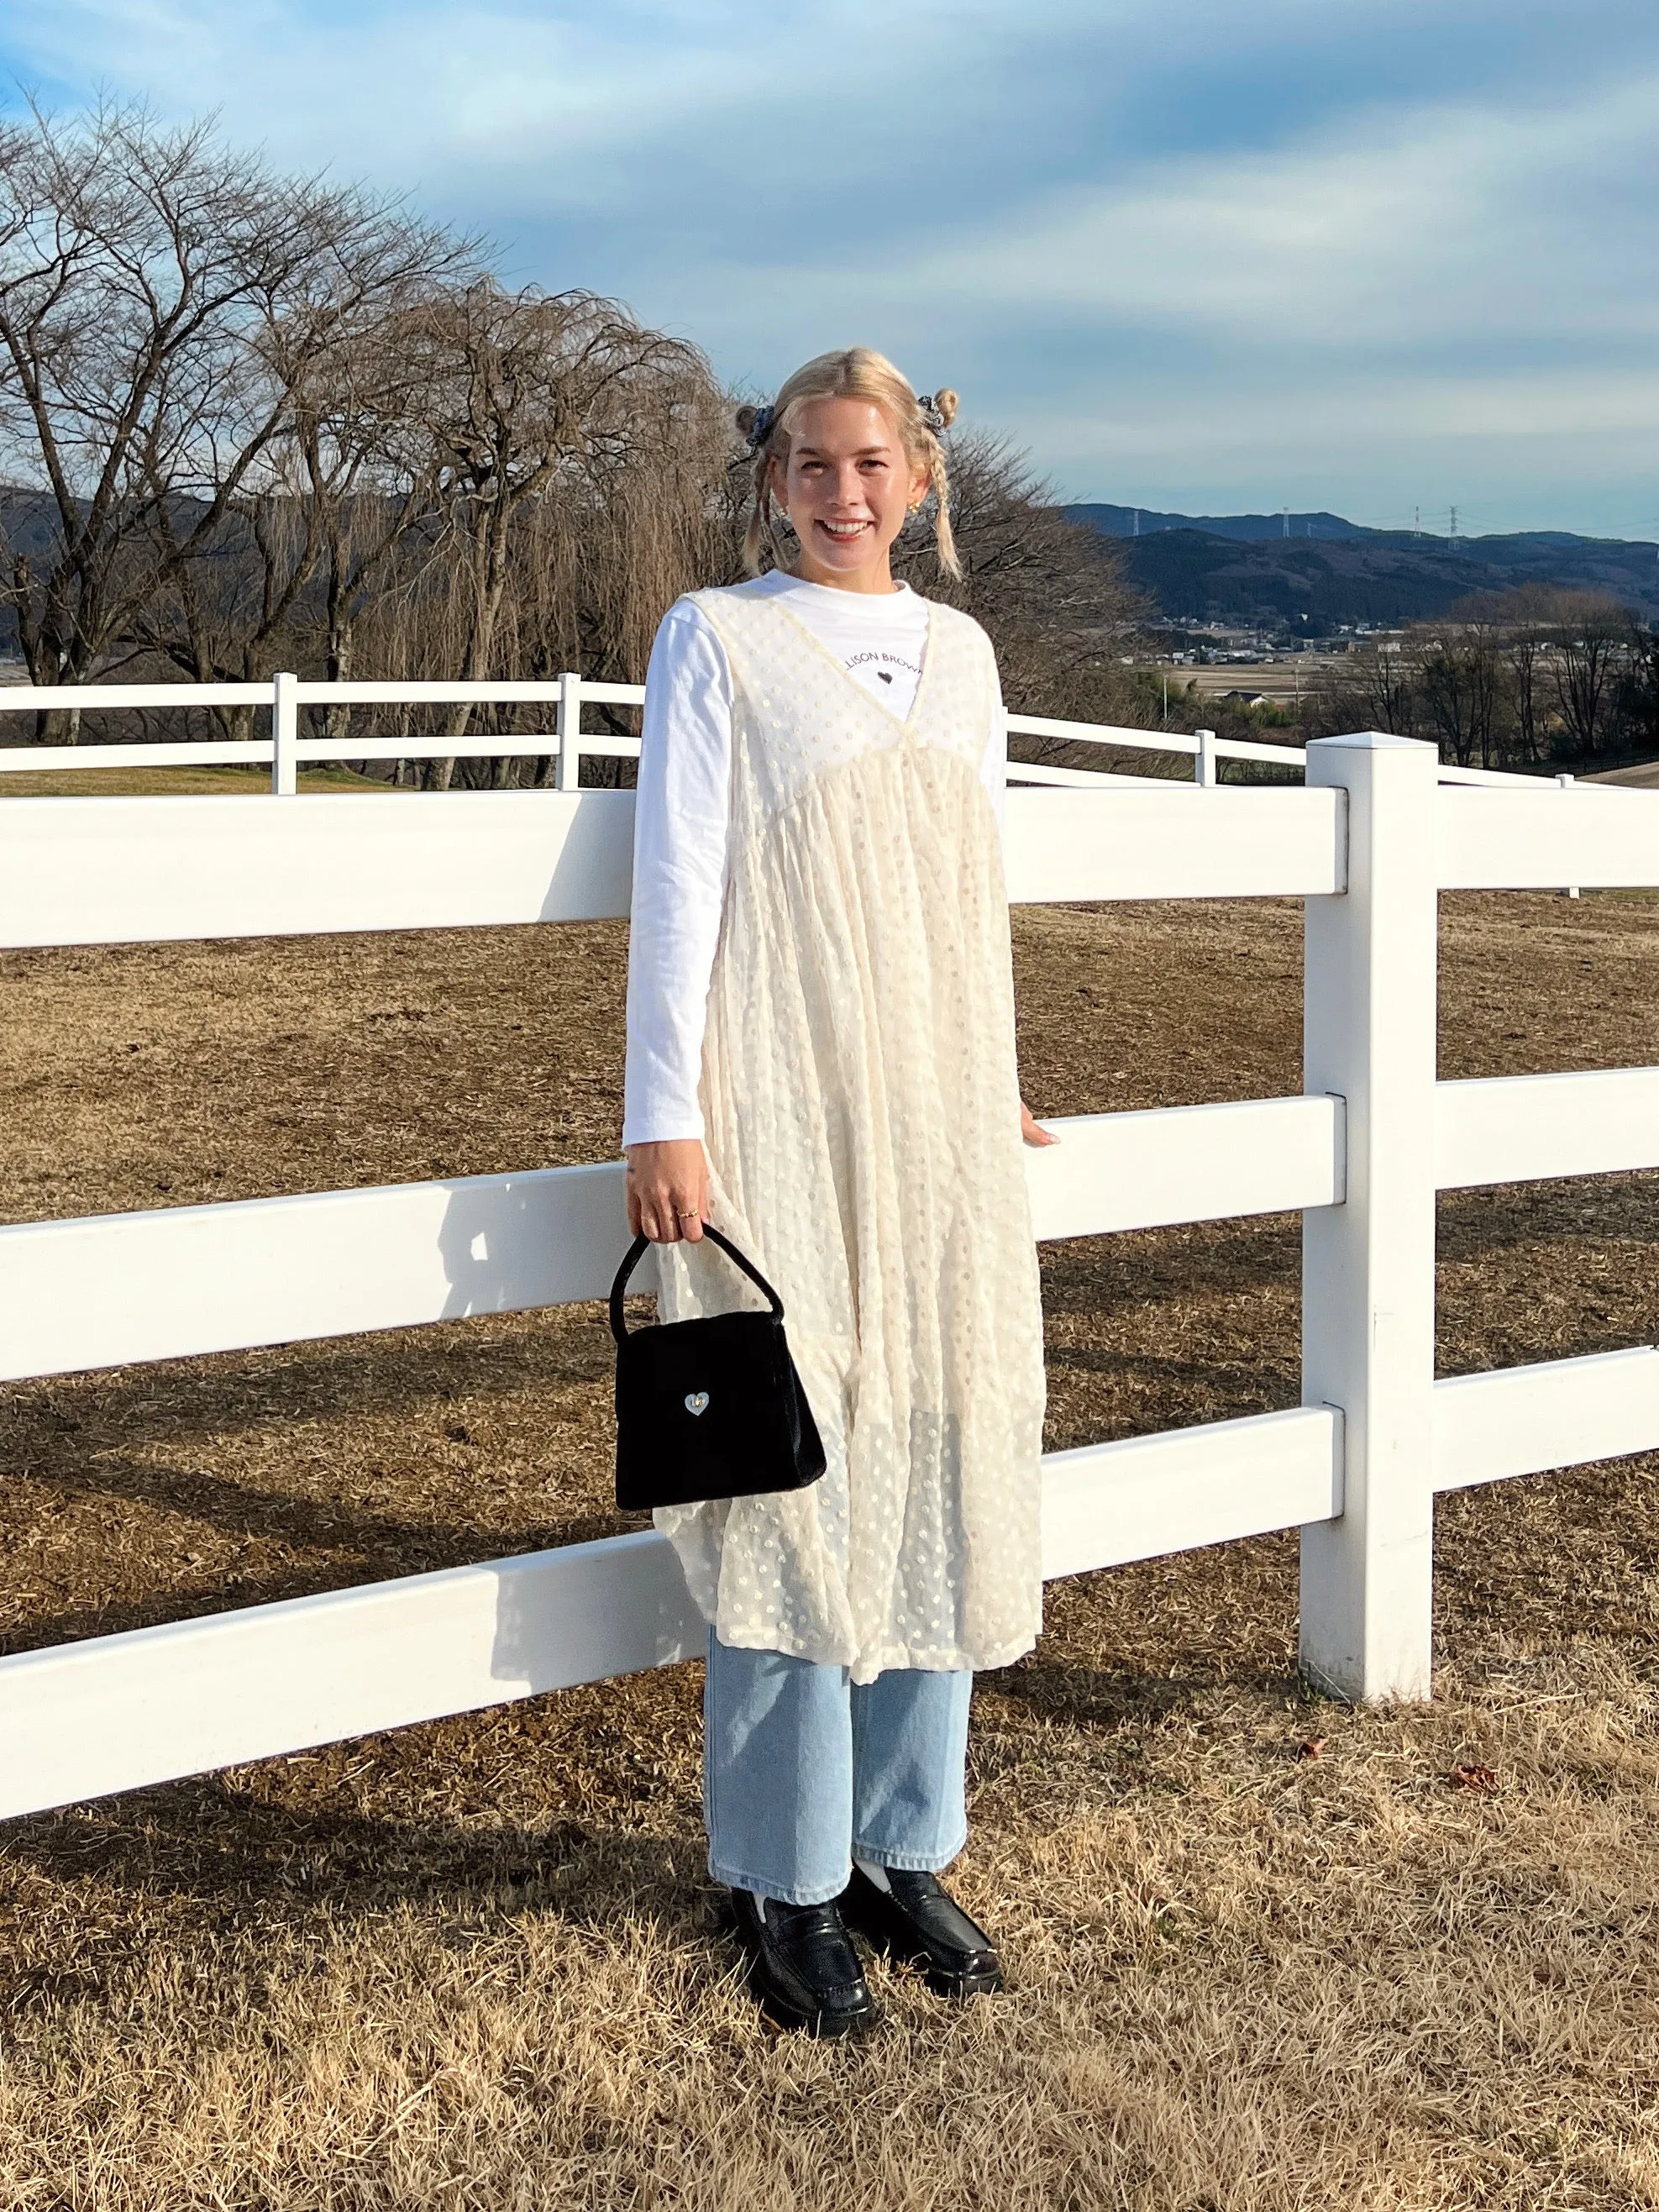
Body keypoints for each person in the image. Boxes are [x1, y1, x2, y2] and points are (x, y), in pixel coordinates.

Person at [622, 347, 1054, 2037]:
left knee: (943, 1430)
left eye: (871, 461)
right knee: (790, 1472)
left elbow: (970, 886)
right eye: (812, 462)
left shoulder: (963, 653)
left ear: (923, 477)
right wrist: (671, 1114)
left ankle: (899, 1844)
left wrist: (985, 1067)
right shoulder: (718, 638)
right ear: (775, 476)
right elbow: (683, 875)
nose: (843, 490)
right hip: (783, 1105)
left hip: (937, 1123)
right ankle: (781, 1873)